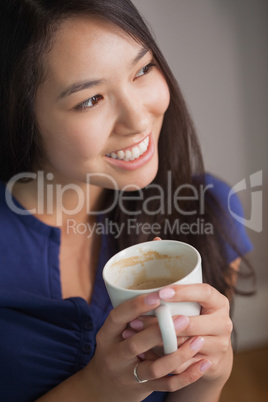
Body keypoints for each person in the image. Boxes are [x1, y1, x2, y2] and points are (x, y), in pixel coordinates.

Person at [0, 1, 254, 401]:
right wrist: (96, 390)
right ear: (20, 116)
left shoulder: (210, 209)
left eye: (143, 69)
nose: (138, 119)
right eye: (90, 100)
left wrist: (208, 378)